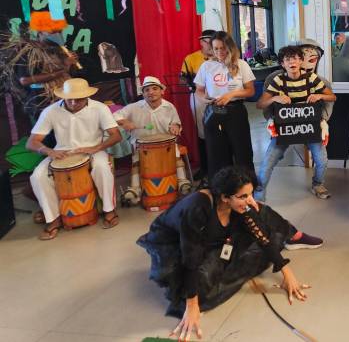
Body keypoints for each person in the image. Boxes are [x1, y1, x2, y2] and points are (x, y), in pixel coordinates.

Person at [137, 167, 323, 340]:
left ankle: (293, 235)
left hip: (211, 238)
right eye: (244, 196)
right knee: (198, 284)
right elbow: (190, 257)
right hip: (174, 244)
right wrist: (192, 304)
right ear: (225, 197)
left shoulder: (239, 206)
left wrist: (287, 273)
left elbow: (262, 237)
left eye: (251, 194)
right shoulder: (198, 207)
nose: (250, 200)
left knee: (262, 215)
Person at [25, 78, 122, 240]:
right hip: (62, 152)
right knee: (38, 176)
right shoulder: (51, 111)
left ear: (86, 96)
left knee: (102, 168)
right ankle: (53, 219)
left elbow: (116, 136)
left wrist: (96, 148)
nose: (73, 102)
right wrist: (49, 151)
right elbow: (31, 142)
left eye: (78, 99)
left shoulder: (100, 108)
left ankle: (109, 210)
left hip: (92, 149)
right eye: (69, 99)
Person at [256, 45, 335, 200]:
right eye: (288, 59)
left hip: (310, 126)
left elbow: (332, 97)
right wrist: (275, 98)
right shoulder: (277, 80)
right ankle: (258, 195)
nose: (292, 62)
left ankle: (318, 184)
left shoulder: (312, 78)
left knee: (322, 160)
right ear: (282, 63)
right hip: (285, 128)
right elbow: (260, 104)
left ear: (301, 61)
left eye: (296, 59)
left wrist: (320, 96)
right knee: (268, 162)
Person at [115, 76, 190, 205]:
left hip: (167, 143)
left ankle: (182, 181)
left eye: (155, 88)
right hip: (141, 145)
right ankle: (135, 188)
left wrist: (175, 126)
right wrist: (124, 122)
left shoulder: (169, 107)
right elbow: (115, 116)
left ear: (162, 91)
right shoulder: (134, 107)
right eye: (147, 90)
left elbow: (176, 123)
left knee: (176, 153)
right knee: (136, 159)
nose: (151, 92)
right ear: (143, 93)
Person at [193, 31, 255, 179]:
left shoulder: (241, 64)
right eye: (216, 48)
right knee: (216, 152)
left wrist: (231, 95)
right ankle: (221, 185)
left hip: (236, 111)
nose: (219, 52)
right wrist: (204, 99)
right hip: (214, 112)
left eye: (222, 48)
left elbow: (250, 91)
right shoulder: (206, 66)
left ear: (229, 47)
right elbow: (198, 91)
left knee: (242, 151)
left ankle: (247, 184)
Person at [181, 29, 215, 182]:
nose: (210, 45)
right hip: (199, 95)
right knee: (202, 132)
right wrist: (190, 84)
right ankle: (205, 167)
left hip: (218, 95)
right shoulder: (191, 58)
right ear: (201, 42)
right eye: (208, 41)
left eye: (213, 41)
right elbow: (183, 77)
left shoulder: (221, 56)